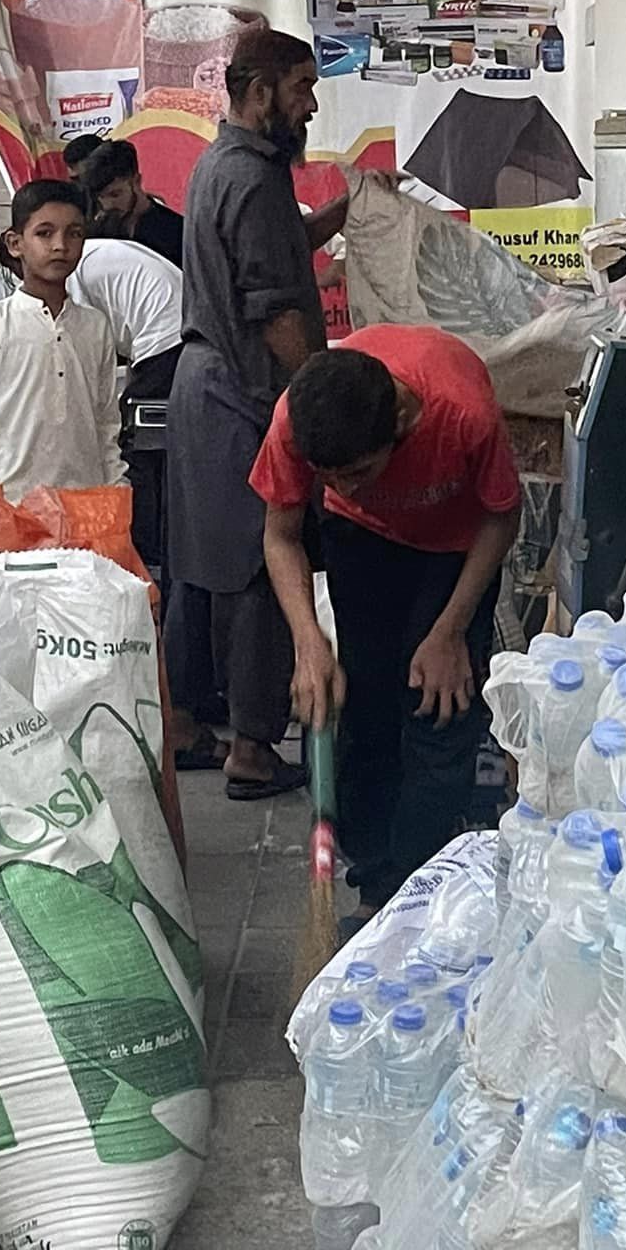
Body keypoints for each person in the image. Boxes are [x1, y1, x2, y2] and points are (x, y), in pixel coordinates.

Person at [252, 326, 521, 911]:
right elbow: (281, 535)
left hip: (455, 546)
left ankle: (423, 887)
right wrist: (309, 642)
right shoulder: (295, 421)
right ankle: (376, 888)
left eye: (359, 472)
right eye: (330, 477)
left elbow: (501, 517)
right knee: (366, 703)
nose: (344, 486)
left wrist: (449, 631)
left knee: (438, 706)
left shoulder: (461, 414)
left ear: (400, 424)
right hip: (363, 541)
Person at [166, 27, 349, 799]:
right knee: (258, 572)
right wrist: (327, 401)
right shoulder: (254, 178)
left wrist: (342, 214)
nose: (310, 104)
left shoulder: (227, 165)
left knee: (201, 571)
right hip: (239, 393)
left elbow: (276, 249)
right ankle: (251, 747)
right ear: (261, 88)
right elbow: (274, 308)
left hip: (205, 388)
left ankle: (182, 724)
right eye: (302, 88)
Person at [0, 179, 124, 537]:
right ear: (15, 243)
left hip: (83, 512)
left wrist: (117, 499)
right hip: (4, 508)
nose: (60, 246)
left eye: (73, 234)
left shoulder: (95, 327)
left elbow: (106, 426)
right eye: (44, 233)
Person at [69, 235, 183, 576]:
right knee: (153, 442)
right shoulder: (99, 252)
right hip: (179, 331)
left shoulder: (74, 277)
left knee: (138, 450)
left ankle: (150, 555)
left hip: (166, 338)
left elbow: (88, 355)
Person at [82, 138, 185, 267]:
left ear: (136, 181)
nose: (107, 205)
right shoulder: (97, 233)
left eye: (115, 194)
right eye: (100, 197)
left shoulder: (175, 231)